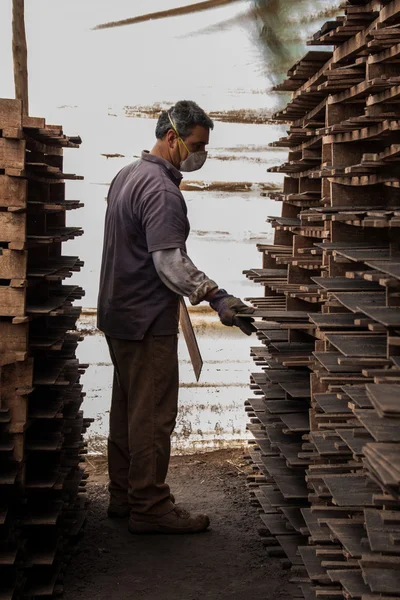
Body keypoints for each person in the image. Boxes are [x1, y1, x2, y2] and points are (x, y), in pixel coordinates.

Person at [97, 100, 255, 535]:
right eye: (197, 144)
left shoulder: (127, 175)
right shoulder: (162, 190)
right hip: (147, 320)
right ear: (173, 138)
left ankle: (124, 496)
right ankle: (149, 508)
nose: (200, 153)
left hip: (119, 314)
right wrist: (216, 296)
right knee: (152, 417)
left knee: (129, 410)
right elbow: (169, 262)